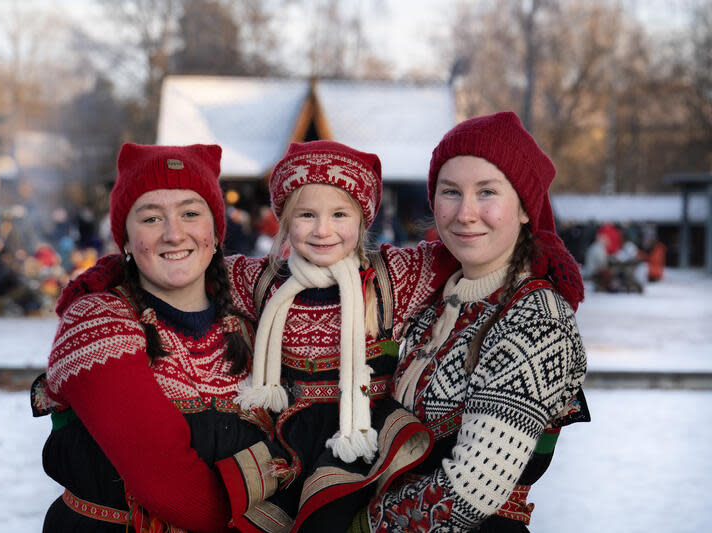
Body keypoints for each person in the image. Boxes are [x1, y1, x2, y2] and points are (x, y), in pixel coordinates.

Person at [350, 111, 590, 532]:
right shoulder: (437, 305)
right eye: (450, 192)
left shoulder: (536, 320)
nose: (465, 213)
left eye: (487, 192)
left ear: (524, 209)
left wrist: (359, 526)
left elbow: (471, 489)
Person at [215, 141, 458, 532]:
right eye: (306, 215)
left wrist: (545, 250)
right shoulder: (262, 282)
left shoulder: (391, 278)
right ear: (285, 222)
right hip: (289, 449)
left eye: (340, 214)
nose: (323, 230)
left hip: (363, 447)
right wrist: (105, 274)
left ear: (363, 221)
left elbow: (469, 247)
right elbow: (195, 269)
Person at [31, 142, 267, 532]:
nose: (174, 234)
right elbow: (170, 486)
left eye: (191, 213)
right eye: (151, 218)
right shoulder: (96, 322)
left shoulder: (247, 310)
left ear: (216, 230)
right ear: (124, 238)